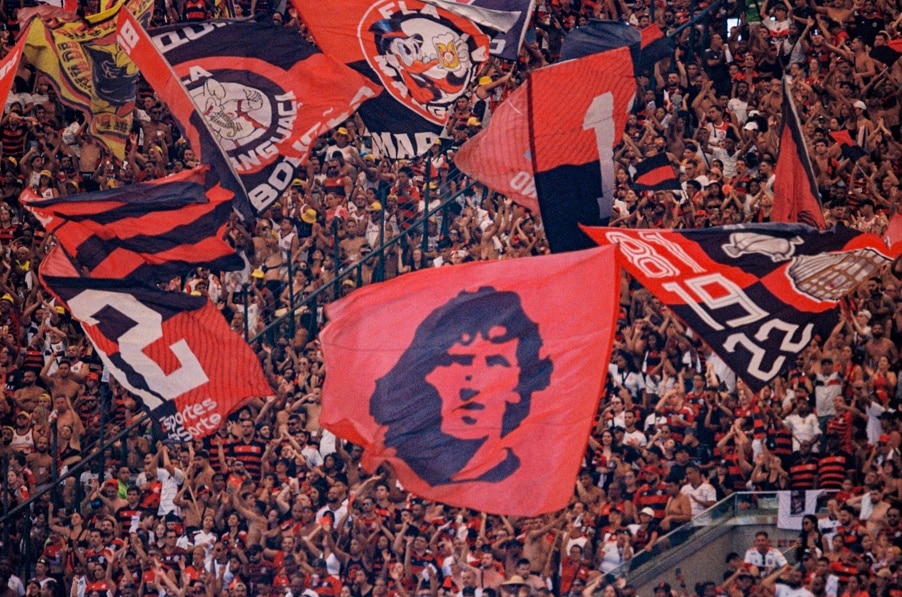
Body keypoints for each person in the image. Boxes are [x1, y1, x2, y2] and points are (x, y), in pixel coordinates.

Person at [370, 287, 552, 485]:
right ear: (430, 372)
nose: (473, 380)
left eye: (495, 362)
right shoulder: (404, 461)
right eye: (461, 360)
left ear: (520, 382)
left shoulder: (527, 478)